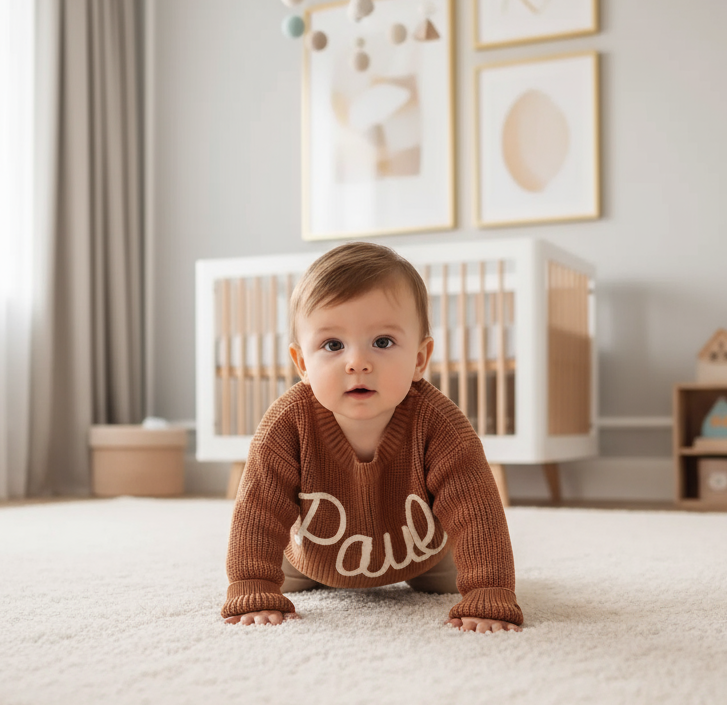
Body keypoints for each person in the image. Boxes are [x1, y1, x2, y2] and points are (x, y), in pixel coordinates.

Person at [221, 241, 522, 633]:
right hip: (311, 559)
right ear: (303, 364)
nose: (357, 363)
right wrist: (253, 585)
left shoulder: (440, 425)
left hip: (424, 556)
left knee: (460, 570)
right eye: (333, 345)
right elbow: (258, 511)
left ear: (419, 359)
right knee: (266, 561)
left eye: (382, 342)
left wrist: (489, 590)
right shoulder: (285, 425)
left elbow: (476, 511)